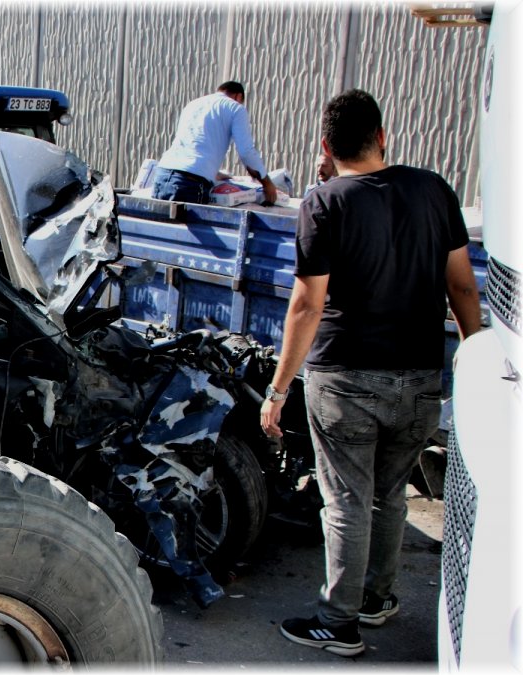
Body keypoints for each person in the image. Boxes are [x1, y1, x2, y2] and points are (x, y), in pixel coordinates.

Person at [259, 89, 481, 657]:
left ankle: (338, 622)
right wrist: (476, 354)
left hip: (347, 381)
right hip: (422, 377)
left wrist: (279, 388)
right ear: (383, 136)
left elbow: (307, 306)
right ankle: (377, 599)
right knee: (389, 497)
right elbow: (460, 283)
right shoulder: (434, 190)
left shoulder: (324, 202)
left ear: (327, 147)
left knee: (346, 502)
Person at [151, 81, 278, 206]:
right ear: (238, 96)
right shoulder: (235, 108)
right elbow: (246, 152)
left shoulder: (193, 104)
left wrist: (214, 173)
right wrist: (267, 183)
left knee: (161, 225)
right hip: (190, 183)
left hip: (163, 174)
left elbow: (193, 144)